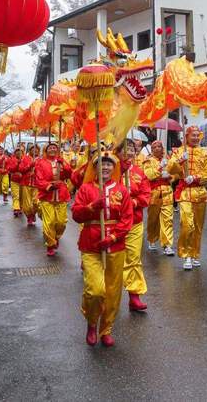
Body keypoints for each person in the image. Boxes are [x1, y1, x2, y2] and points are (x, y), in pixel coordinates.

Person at [72, 144, 133, 347]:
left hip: (115, 247)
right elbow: (76, 214)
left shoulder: (121, 190)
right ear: (94, 167)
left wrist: (114, 237)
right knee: (95, 290)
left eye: (108, 164)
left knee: (113, 292)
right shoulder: (86, 189)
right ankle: (91, 321)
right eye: (101, 164)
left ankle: (106, 328)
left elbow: (127, 219)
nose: (105, 168)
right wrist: (90, 207)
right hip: (91, 246)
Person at [167, 126, 207, 270]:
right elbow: (170, 168)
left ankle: (195, 254)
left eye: (197, 135)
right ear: (186, 136)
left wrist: (195, 177)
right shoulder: (179, 151)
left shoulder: (205, 153)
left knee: (198, 227)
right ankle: (186, 254)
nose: (195, 138)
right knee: (187, 225)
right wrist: (180, 161)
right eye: (192, 135)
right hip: (184, 193)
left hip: (199, 193)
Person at [119, 139, 152, 312]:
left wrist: (134, 201)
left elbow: (146, 195)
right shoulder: (109, 171)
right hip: (114, 224)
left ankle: (134, 295)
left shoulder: (139, 172)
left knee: (133, 258)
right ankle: (108, 297)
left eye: (131, 149)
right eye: (125, 149)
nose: (129, 152)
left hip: (135, 222)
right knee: (113, 261)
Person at [35, 141, 72, 256]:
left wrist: (64, 165)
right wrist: (49, 186)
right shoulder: (40, 163)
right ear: (46, 150)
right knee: (49, 221)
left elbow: (69, 174)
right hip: (47, 197)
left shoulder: (61, 161)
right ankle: (50, 244)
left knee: (61, 222)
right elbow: (39, 180)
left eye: (54, 148)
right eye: (50, 148)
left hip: (61, 194)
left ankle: (56, 236)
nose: (52, 149)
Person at [143, 140, 175, 255]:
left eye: (159, 146)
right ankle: (152, 238)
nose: (157, 149)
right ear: (151, 150)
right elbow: (148, 175)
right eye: (154, 147)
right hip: (154, 194)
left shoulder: (169, 159)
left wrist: (170, 176)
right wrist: (159, 169)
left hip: (167, 193)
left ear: (162, 148)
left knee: (168, 219)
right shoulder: (147, 161)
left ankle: (167, 245)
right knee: (153, 219)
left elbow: (176, 174)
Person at [19, 144, 41, 226]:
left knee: (36, 202)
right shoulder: (25, 158)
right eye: (33, 149)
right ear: (30, 150)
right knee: (27, 204)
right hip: (26, 183)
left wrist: (36, 172)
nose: (35, 151)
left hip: (37, 184)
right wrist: (29, 166)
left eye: (37, 149)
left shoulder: (41, 159)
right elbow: (21, 169)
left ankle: (33, 213)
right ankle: (29, 216)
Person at [6, 147, 24, 217]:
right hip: (14, 180)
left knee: (22, 196)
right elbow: (10, 169)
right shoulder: (12, 160)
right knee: (16, 195)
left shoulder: (25, 159)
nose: (19, 153)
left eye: (20, 151)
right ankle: (16, 208)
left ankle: (21, 207)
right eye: (17, 151)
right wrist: (17, 164)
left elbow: (26, 169)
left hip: (23, 181)